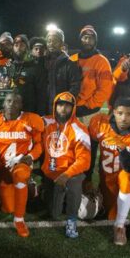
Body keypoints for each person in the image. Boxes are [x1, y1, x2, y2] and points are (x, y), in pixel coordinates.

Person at [88, 98, 130, 246]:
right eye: (120, 113)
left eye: (129, 114)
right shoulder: (100, 123)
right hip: (107, 176)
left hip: (127, 171)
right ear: (114, 112)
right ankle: (122, 200)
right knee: (106, 213)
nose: (124, 118)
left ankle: (119, 227)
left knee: (126, 178)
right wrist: (87, 179)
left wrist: (122, 148)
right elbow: (91, 153)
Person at [0, 92, 44, 237]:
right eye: (8, 101)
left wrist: (30, 156)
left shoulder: (30, 120)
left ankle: (19, 219)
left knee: (20, 174)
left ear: (21, 106)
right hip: (2, 167)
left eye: (16, 102)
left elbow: (39, 145)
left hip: (20, 164)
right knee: (7, 208)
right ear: (3, 103)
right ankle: (29, 187)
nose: (11, 105)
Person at [41, 92, 92, 238]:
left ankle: (71, 220)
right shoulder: (46, 121)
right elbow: (26, 122)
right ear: (55, 106)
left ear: (73, 108)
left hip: (69, 173)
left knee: (75, 182)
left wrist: (66, 174)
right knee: (54, 214)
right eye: (60, 105)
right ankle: (55, 193)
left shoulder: (79, 129)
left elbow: (84, 160)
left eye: (68, 106)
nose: (63, 109)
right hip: (51, 173)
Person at [69, 25, 114, 125]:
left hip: (89, 112)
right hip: (70, 109)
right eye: (85, 37)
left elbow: (105, 89)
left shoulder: (102, 61)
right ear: (80, 40)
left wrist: (87, 106)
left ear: (95, 41)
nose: (88, 41)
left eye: (91, 38)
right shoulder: (72, 59)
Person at [0, 34, 48, 115]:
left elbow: (41, 94)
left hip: (29, 112)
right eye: (16, 45)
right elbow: (2, 87)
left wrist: (40, 114)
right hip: (10, 114)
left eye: (22, 45)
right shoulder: (8, 66)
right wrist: (2, 82)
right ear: (13, 48)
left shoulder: (35, 67)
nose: (19, 47)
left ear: (27, 48)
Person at [44, 28, 82, 108]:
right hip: (43, 107)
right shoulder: (42, 61)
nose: (51, 43)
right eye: (49, 41)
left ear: (62, 43)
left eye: (55, 41)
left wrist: (64, 102)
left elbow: (75, 86)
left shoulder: (69, 63)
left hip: (61, 108)